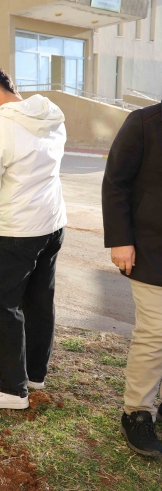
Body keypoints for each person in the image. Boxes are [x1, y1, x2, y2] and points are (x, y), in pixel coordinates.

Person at [0, 65, 66, 410]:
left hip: (16, 230)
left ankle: (10, 388)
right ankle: (34, 373)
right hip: (52, 225)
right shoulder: (52, 118)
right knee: (39, 299)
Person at [102, 104, 162, 458]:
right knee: (154, 333)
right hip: (151, 249)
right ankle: (137, 413)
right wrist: (120, 240)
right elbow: (115, 183)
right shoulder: (143, 122)